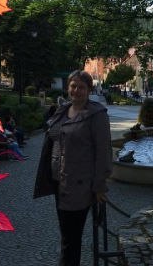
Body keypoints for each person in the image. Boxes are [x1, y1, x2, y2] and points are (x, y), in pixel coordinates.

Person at [34, 70, 113, 266]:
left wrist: (99, 186)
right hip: (59, 181)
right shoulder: (62, 110)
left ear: (89, 90)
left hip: (80, 185)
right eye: (73, 86)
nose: (76, 90)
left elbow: (103, 152)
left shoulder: (96, 115)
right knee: (67, 235)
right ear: (68, 87)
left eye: (81, 87)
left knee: (70, 238)